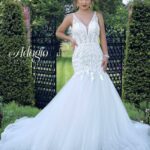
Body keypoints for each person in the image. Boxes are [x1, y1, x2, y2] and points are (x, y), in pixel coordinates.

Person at [0, 0, 150, 149]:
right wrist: (70, 38)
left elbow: (103, 37)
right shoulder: (70, 17)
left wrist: (106, 56)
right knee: (81, 88)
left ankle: (99, 128)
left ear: (91, 1)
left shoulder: (98, 15)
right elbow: (58, 32)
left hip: (95, 55)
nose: (84, 2)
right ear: (76, 1)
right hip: (80, 56)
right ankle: (79, 126)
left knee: (99, 89)